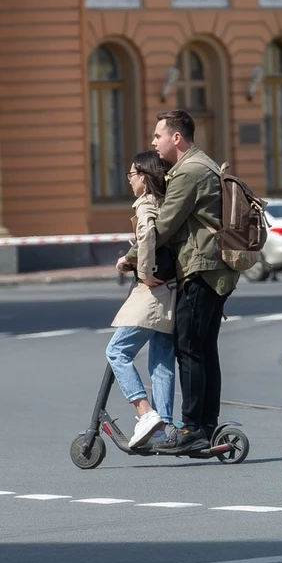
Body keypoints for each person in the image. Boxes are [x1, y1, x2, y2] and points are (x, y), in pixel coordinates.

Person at [118, 110, 240, 454]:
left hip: (202, 269)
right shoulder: (206, 164)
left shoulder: (188, 172)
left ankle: (192, 429)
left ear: (176, 138)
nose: (153, 143)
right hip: (215, 269)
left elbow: (164, 227)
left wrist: (130, 260)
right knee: (203, 350)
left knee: (190, 350)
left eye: (158, 136)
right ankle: (207, 424)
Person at [107, 150, 177, 449]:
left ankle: (145, 413)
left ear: (145, 178)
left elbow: (147, 233)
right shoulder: (167, 202)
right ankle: (165, 429)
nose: (130, 181)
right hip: (174, 291)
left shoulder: (147, 202)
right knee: (161, 363)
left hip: (154, 292)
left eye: (132, 175)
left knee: (117, 351)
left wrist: (143, 270)